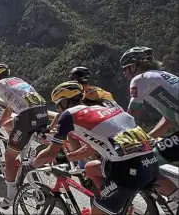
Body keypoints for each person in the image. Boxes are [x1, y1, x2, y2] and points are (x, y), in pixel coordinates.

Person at [31, 81, 159, 215]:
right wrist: (68, 157)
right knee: (90, 168)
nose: (58, 110)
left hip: (127, 170)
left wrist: (30, 165)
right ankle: (113, 201)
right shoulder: (102, 109)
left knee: (99, 211)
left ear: (64, 102)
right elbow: (91, 148)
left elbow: (50, 154)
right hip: (150, 162)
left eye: (58, 105)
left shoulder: (69, 115)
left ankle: (112, 203)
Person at [0, 63, 49, 209]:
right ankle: (18, 146)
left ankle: (9, 198)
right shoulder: (18, 81)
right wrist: (1, 125)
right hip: (43, 112)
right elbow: (9, 107)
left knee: (9, 157)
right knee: (9, 125)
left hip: (27, 116)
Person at [121, 46, 179, 208]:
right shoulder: (164, 76)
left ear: (134, 66)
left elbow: (130, 117)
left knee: (143, 162)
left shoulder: (140, 79)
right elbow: (168, 119)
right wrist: (148, 137)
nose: (124, 73)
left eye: (125, 69)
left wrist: (122, 140)